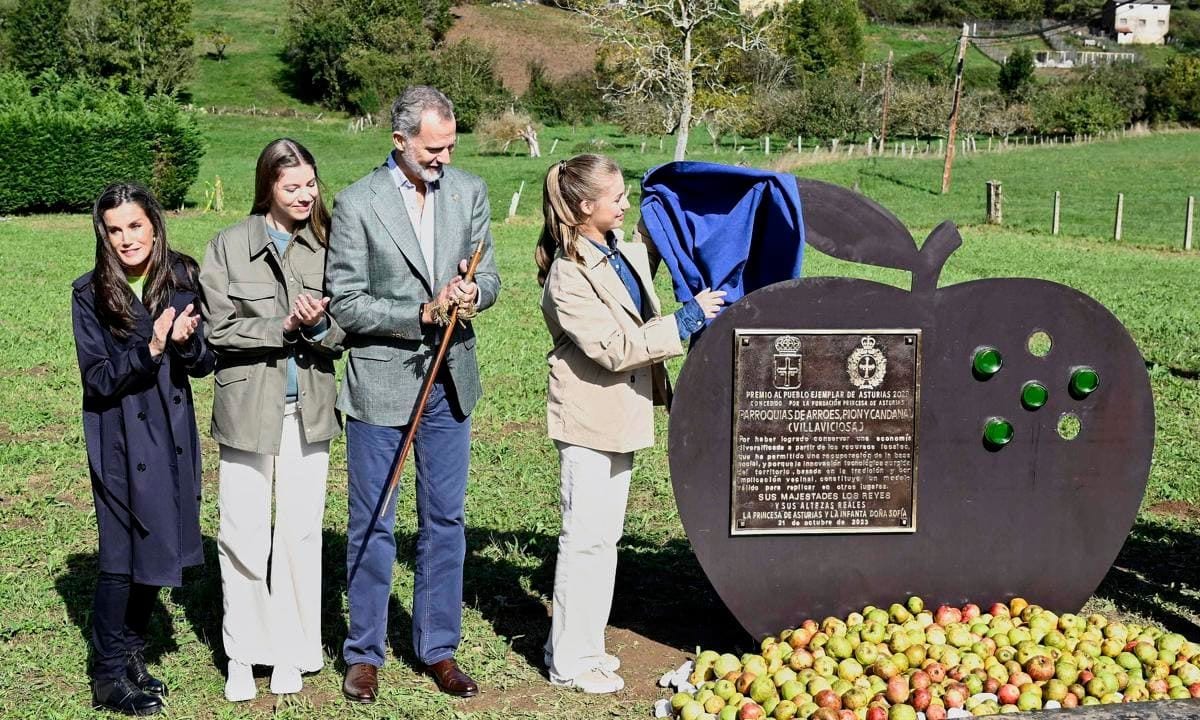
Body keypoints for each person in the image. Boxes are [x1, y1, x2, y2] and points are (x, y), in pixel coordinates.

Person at [326, 85, 500, 702]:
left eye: (450, 147)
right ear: (398, 140)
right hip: (381, 383)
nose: (443, 160)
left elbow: (491, 273)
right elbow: (345, 302)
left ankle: (438, 647)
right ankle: (365, 652)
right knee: (373, 523)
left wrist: (474, 295)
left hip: (450, 383)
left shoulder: (470, 191)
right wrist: (421, 313)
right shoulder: (355, 204)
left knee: (444, 519)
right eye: (432, 149)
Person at [536, 154, 725, 693]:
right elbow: (617, 348)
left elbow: (658, 236)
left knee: (605, 539)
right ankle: (569, 662)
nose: (625, 206)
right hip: (589, 418)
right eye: (616, 198)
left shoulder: (621, 252)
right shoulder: (568, 277)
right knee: (584, 541)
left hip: (619, 416)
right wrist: (687, 318)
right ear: (583, 207)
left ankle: (584, 646)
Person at [199, 139, 345, 701]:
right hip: (246, 411)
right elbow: (217, 329)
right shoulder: (230, 246)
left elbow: (343, 334)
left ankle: (292, 649)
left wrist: (314, 328)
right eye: (293, 186)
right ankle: (243, 652)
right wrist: (281, 327)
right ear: (268, 187)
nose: (306, 195)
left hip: (308, 410)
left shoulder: (330, 248)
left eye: (311, 184)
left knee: (300, 533)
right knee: (242, 532)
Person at [71, 182, 214, 715]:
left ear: (154, 223)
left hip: (171, 431)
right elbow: (99, 379)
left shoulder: (182, 275)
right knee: (119, 554)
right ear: (102, 235)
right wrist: (152, 346)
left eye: (135, 225)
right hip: (118, 435)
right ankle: (107, 673)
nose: (127, 239)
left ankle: (131, 651)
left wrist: (186, 342)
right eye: (114, 230)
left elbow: (205, 362)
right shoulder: (89, 294)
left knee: (161, 541)